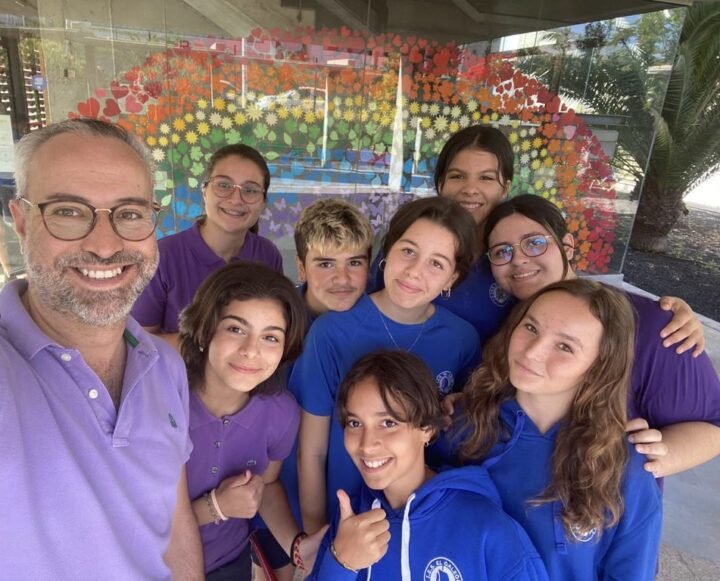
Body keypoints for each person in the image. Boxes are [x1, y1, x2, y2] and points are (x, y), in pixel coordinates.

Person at [1, 119, 202, 578]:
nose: (106, 245)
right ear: (21, 221)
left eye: (129, 214)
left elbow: (172, 525)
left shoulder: (165, 365)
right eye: (69, 211)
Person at [371, 125, 706, 352]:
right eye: (457, 176)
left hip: (482, 403)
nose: (470, 189)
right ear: (440, 184)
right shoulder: (405, 247)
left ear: (505, 186)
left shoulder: (513, 262)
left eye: (486, 178)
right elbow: (359, 305)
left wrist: (662, 313)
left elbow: (574, 295)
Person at [480, 194, 720, 478]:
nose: (519, 259)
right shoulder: (504, 319)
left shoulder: (651, 325)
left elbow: (711, 425)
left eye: (534, 243)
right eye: (502, 251)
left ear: (567, 246)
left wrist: (645, 463)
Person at [290, 197, 480, 534]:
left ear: (452, 277)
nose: (414, 271)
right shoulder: (331, 331)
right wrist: (316, 537)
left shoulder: (462, 339)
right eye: (408, 251)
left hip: (419, 523)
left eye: (436, 264)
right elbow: (312, 451)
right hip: (344, 517)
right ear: (387, 252)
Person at [453, 279, 662, 580]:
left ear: (599, 368)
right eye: (531, 327)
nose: (533, 352)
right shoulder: (462, 423)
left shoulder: (623, 465)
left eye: (565, 346)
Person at [309, 350, 548, 581]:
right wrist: (341, 564)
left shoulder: (487, 527)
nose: (367, 445)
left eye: (388, 423)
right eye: (354, 423)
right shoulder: (351, 520)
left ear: (427, 429)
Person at [178, 261, 328, 580]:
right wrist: (215, 507)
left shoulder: (281, 412)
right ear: (205, 330)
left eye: (270, 338)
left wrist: (297, 546)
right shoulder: (161, 402)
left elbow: (267, 485)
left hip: (230, 562)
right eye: (236, 329)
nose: (251, 350)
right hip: (151, 564)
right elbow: (126, 518)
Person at [132, 143, 282, 347]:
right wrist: (208, 346)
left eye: (250, 190)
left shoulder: (268, 255)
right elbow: (138, 341)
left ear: (263, 202)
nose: (236, 199)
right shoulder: (162, 256)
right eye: (224, 185)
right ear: (204, 191)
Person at [294, 198, 374, 322]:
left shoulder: (380, 317)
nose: (342, 280)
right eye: (326, 264)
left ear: (368, 266)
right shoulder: (277, 318)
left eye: (354, 263)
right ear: (302, 269)